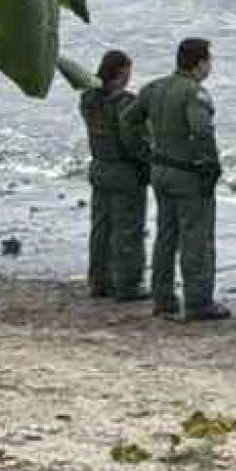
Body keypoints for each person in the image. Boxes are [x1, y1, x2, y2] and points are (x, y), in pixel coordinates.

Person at [140, 38, 228, 321]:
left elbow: (130, 119)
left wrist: (151, 147)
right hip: (187, 174)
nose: (210, 66)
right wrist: (211, 167)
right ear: (200, 62)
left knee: (165, 236)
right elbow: (202, 132)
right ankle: (198, 301)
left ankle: (162, 298)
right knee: (196, 238)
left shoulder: (153, 88)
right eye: (209, 61)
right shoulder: (194, 93)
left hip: (160, 169)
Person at [79, 49, 148, 300]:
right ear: (121, 72)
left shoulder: (88, 99)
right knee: (127, 229)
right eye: (128, 71)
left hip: (99, 165)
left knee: (101, 228)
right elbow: (132, 141)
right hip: (124, 171)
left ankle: (99, 280)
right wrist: (147, 161)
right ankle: (128, 284)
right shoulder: (126, 103)